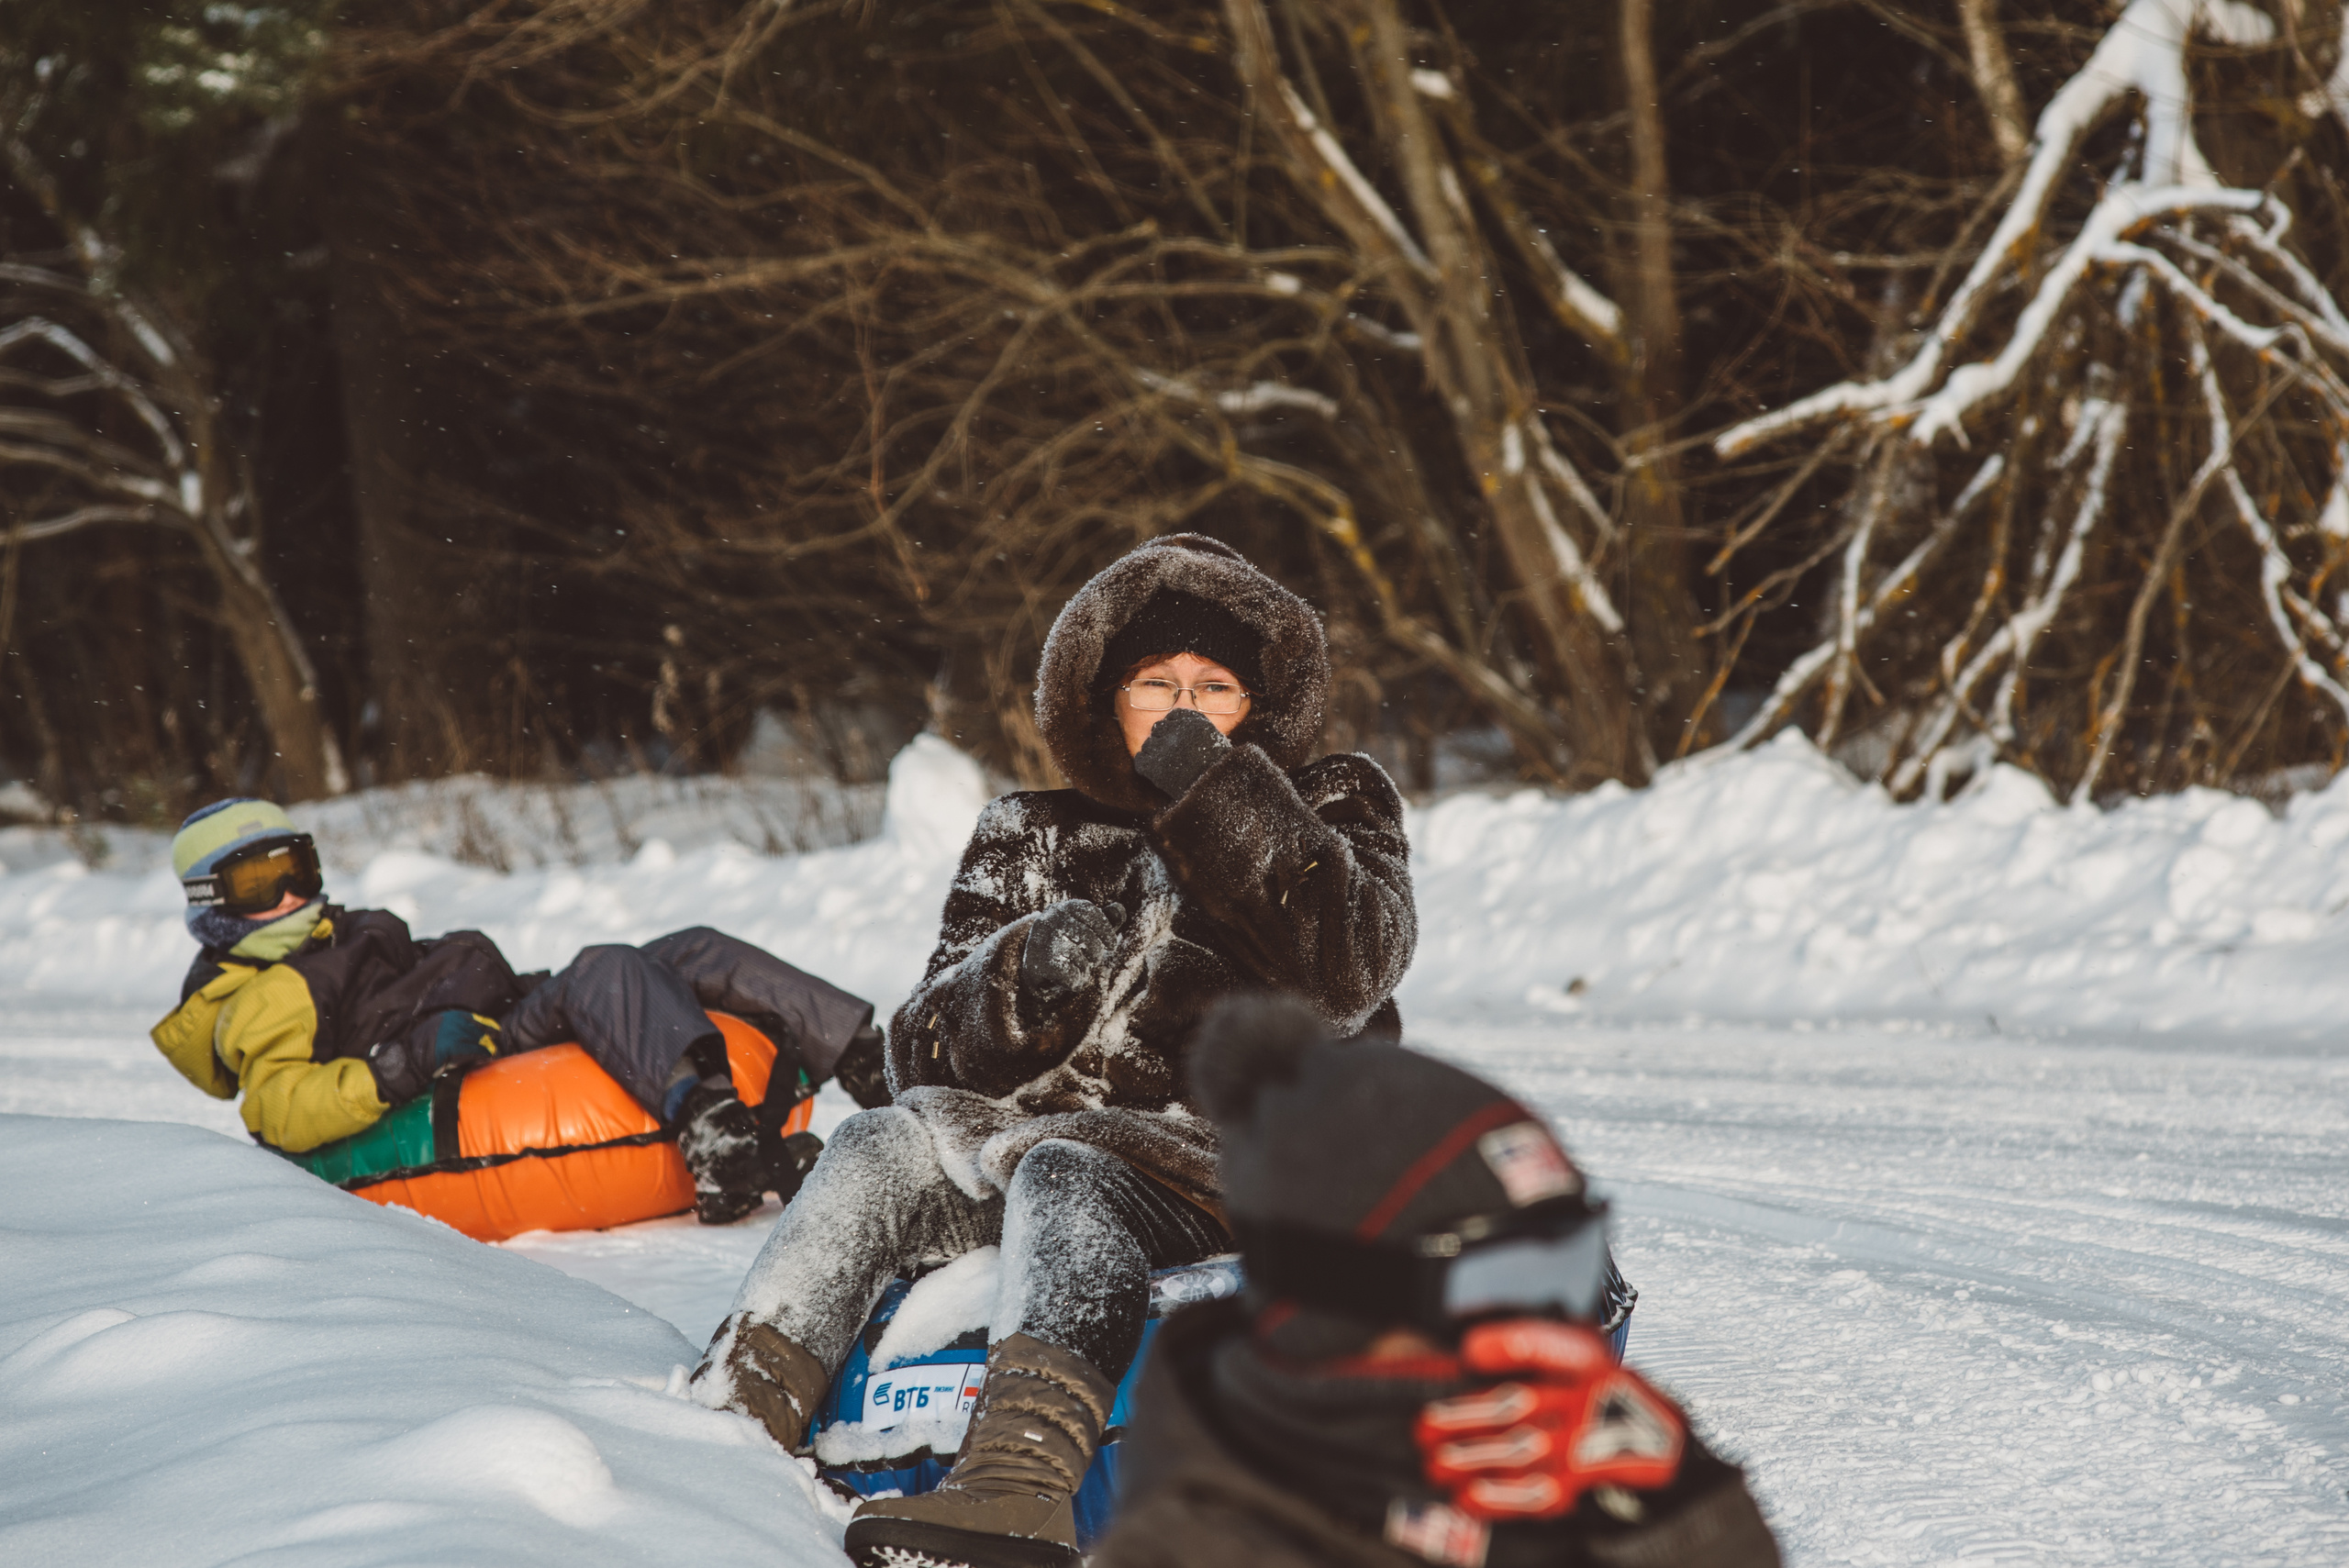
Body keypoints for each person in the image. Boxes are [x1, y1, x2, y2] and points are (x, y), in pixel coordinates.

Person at [692, 534, 1418, 1567]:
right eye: (1154, 682)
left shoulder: (1332, 799)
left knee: (1073, 1168)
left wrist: (1215, 796)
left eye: (1214, 687)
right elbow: (918, 1054)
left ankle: (1017, 1485)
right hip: (1025, 1145)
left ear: (1254, 706)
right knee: (877, 1145)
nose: (1182, 705)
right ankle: (727, 1423)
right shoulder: (1026, 831)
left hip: (1236, 1157)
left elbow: (1350, 969)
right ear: (1103, 698)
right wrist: (1020, 982)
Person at [1093, 996, 1781, 1568]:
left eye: (1573, 1271)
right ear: (1347, 1307)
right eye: (1507, 1281)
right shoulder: (1202, 1544)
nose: (1555, 1331)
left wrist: (1687, 1513)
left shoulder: (1544, 1478)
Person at [150, 795, 887, 1222]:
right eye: (256, 881)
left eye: (294, 868)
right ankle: (718, 1137)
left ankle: (872, 1060)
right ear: (215, 903)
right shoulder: (257, 995)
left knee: (690, 947)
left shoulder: (329, 937)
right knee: (607, 965)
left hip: (492, 1015)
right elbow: (279, 1110)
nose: (285, 894)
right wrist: (399, 1067)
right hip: (459, 1061)